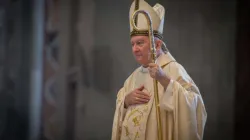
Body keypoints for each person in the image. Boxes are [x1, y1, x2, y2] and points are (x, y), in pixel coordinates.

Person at [111, 0, 207, 140]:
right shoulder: (132, 78)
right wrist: (125, 102)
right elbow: (121, 109)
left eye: (140, 43)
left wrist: (165, 81)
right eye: (132, 44)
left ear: (157, 45)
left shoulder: (174, 69)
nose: (135, 49)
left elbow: (196, 107)